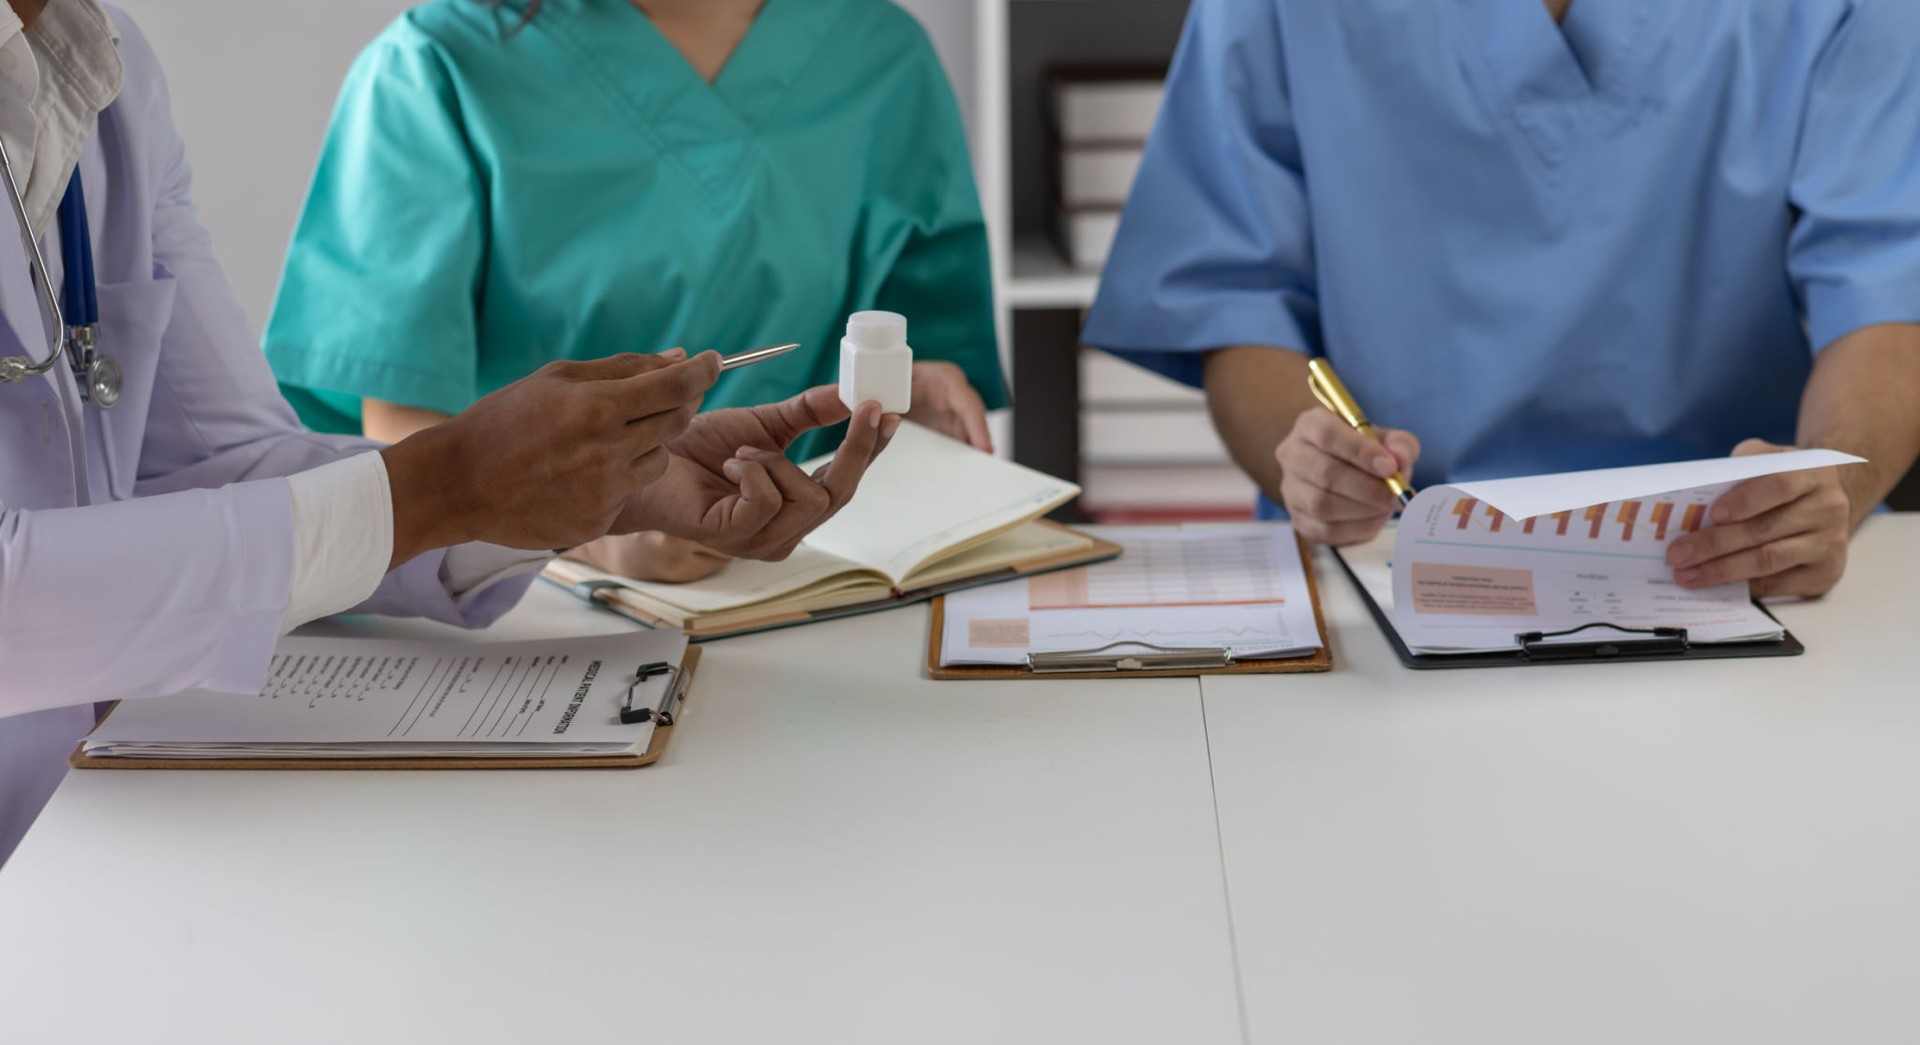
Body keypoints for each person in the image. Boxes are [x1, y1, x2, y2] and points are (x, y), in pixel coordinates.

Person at [0, 0, 896, 863]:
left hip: (103, 821)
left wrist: (617, 486)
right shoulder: (432, 63)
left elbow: (220, 463)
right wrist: (446, 483)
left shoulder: (102, 67)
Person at [1083, 0, 1920, 599]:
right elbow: (1236, 301)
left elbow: (1888, 288)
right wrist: (1306, 461)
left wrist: (1828, 486)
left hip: (1734, 569)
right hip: (1386, 558)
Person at [264, 0, 1004, 584]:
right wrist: (592, 537)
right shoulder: (433, 66)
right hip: (523, 596)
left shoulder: (880, 54)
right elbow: (400, 434)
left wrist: (914, 390)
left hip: (807, 578)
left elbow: (911, 330)